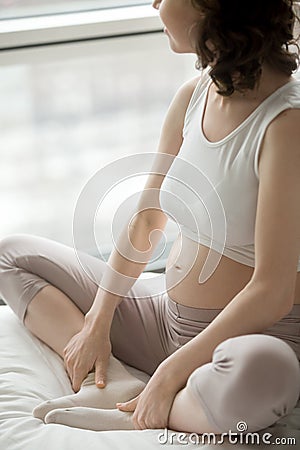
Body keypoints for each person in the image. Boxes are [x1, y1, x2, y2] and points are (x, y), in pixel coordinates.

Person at [0, 0, 300, 435]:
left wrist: (170, 372)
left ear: (212, 6)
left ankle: (162, 405)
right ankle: (117, 384)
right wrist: (96, 323)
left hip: (244, 345)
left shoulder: (286, 123)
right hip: (164, 321)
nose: (155, 2)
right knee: (12, 255)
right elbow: (146, 220)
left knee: (267, 371)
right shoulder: (194, 95)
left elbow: (272, 291)